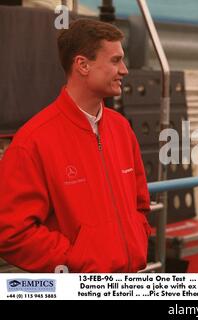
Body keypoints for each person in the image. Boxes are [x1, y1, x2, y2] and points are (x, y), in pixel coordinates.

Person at [0, 19, 152, 272]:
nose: (124, 70)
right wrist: (73, 262)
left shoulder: (121, 128)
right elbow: (11, 231)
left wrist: (137, 236)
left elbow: (140, 204)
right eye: (115, 60)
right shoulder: (33, 141)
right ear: (82, 65)